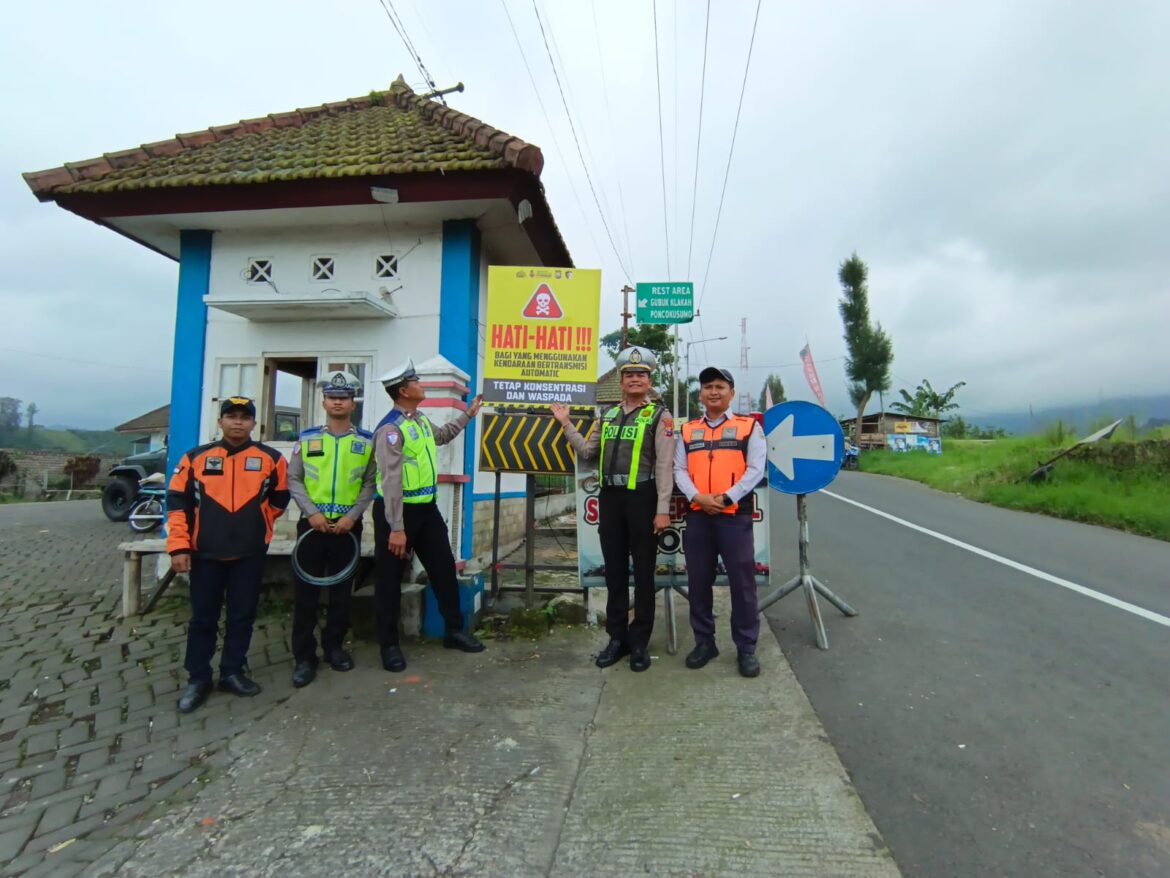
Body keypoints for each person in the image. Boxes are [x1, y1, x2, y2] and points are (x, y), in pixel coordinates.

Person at [551, 345, 673, 672]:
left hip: (643, 499)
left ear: (650, 381)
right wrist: (566, 424)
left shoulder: (661, 416)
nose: (635, 379)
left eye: (641, 375)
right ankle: (617, 637)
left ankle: (639, 643)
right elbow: (588, 452)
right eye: (629, 375)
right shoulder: (605, 415)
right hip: (610, 500)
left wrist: (662, 509)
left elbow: (664, 467)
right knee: (615, 573)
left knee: (644, 573)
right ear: (621, 381)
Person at [167, 397, 290, 712]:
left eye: (244, 417)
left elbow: (280, 499)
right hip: (204, 554)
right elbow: (178, 504)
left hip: (249, 554)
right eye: (231, 417)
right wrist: (179, 547)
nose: (238, 422)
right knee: (202, 619)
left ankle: (232, 672)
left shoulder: (271, 459)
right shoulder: (195, 458)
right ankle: (198, 678)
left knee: (242, 616)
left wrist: (257, 525)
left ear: (253, 423)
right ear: (220, 422)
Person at [372, 359, 486, 671]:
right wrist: (396, 528)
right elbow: (390, 481)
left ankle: (453, 631)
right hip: (398, 513)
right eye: (417, 381)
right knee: (389, 580)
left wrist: (468, 414)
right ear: (404, 390)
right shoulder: (390, 430)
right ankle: (389, 645)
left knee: (444, 568)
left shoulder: (419, 420)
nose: (422, 384)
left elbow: (443, 435)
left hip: (426, 509)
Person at [673, 367, 767, 678]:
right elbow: (679, 470)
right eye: (708, 387)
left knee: (743, 584)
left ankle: (746, 648)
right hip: (698, 514)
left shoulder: (748, 427)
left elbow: (755, 468)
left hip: (734, 516)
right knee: (698, 582)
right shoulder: (687, 431)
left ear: (731, 393)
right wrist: (698, 497)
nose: (714, 391)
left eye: (720, 386)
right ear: (700, 394)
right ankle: (705, 642)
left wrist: (726, 498)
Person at [286, 371, 377, 688]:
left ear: (353, 403)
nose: (338, 401)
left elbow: (370, 483)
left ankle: (335, 647)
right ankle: (303, 657)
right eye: (332, 396)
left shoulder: (365, 442)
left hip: (347, 529)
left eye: (344, 397)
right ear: (324, 401)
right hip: (312, 526)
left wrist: (353, 515)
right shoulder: (308, 438)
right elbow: (293, 479)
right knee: (305, 595)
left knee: (341, 594)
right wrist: (310, 513)